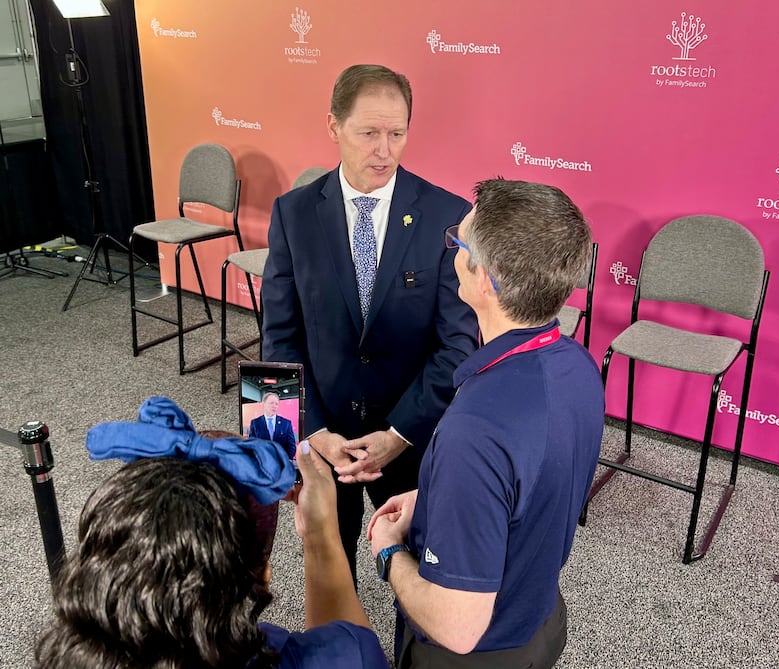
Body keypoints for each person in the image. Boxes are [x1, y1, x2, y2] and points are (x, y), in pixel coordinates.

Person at [367, 179, 605, 668]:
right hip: (539, 622)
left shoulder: (474, 431)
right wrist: (434, 495)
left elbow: (456, 626)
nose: (452, 247)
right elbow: (532, 483)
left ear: (485, 278)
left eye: (459, 241)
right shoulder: (578, 366)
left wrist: (389, 553)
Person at [261, 64, 478, 578]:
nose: (384, 150)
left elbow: (458, 347)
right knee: (330, 563)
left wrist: (399, 433)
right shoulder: (292, 215)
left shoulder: (448, 215)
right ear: (333, 127)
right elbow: (279, 337)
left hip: (413, 437)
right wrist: (312, 431)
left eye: (397, 133)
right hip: (325, 433)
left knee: (422, 568)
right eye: (369, 133)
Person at [34, 397, 389, 669]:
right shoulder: (307, 656)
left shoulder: (68, 653)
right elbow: (349, 645)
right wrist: (320, 536)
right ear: (260, 577)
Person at [249, 391, 297, 458]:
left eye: (276, 404)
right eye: (271, 403)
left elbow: (291, 447)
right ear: (264, 404)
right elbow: (252, 445)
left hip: (282, 463)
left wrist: (284, 460)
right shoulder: (255, 423)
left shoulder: (286, 423)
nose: (274, 406)